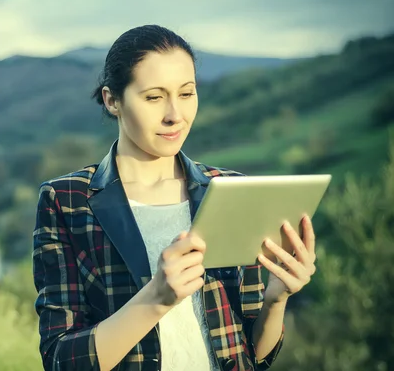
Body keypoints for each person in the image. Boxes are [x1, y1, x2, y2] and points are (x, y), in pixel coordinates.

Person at [32, 25, 317, 371]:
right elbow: (61, 360)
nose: (175, 115)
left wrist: (276, 299)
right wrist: (156, 297)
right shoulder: (66, 200)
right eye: (154, 97)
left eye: (186, 94)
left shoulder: (230, 190)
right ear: (112, 100)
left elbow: (255, 355)